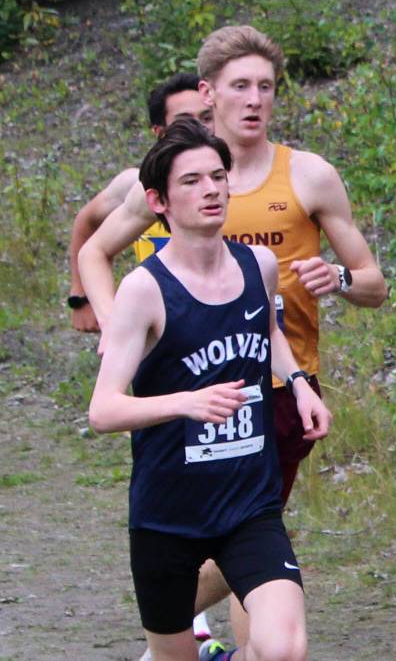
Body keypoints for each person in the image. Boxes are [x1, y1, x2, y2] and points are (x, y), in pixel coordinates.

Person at [78, 24, 386, 649]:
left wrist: (331, 298)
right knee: (182, 601)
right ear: (208, 93)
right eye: (240, 86)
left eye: (266, 87)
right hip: (178, 422)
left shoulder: (301, 185)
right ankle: (170, 618)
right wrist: (116, 330)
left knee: (267, 577)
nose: (254, 99)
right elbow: (94, 244)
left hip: (267, 396)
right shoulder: (169, 188)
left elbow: (365, 288)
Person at [88, 118, 331, 661]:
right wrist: (186, 403)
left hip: (249, 502)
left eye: (218, 177)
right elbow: (103, 410)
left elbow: (267, 331)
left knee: (283, 649)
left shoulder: (259, 265)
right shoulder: (144, 290)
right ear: (159, 201)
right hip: (168, 515)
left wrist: (297, 385)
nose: (212, 190)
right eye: (192, 181)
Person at [68, 73, 214, 333]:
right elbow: (87, 221)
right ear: (160, 132)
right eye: (184, 121)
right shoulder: (135, 186)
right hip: (159, 327)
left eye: (206, 118)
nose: (199, 129)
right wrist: (82, 298)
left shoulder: (223, 187)